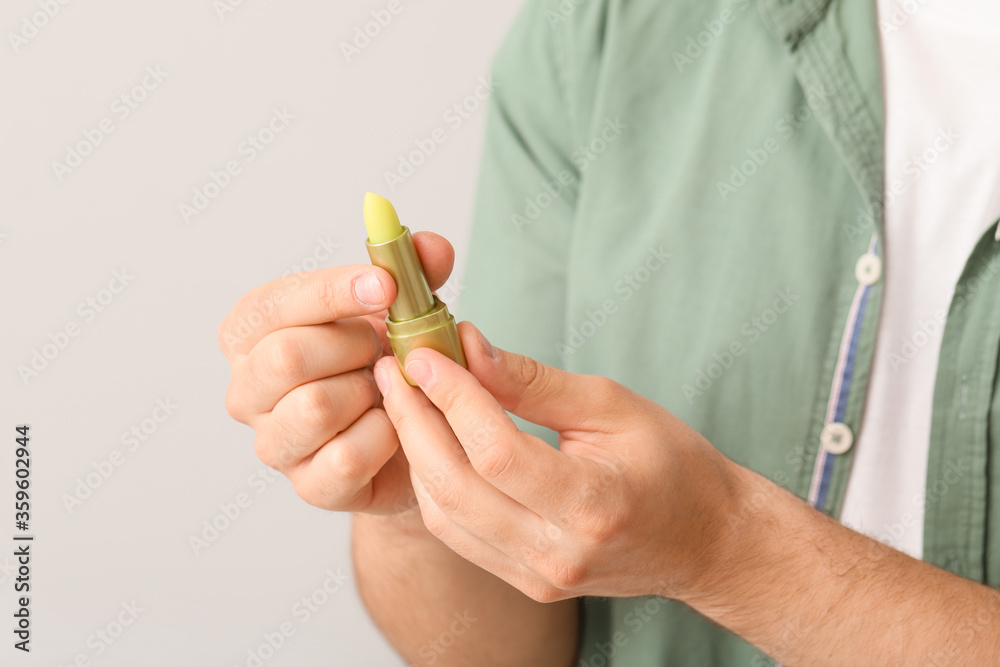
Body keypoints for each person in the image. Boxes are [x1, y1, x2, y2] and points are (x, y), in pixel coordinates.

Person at [218, 0, 1000, 663]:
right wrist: (424, 506)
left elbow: (719, 547)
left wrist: (728, 547)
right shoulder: (603, 26)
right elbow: (508, 647)